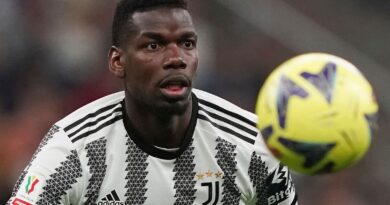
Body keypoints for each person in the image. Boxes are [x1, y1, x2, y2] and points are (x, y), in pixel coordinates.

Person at [8, 0, 298, 204]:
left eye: (187, 43)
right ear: (118, 61)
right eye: (154, 45)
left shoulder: (252, 144)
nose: (176, 59)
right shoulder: (74, 148)